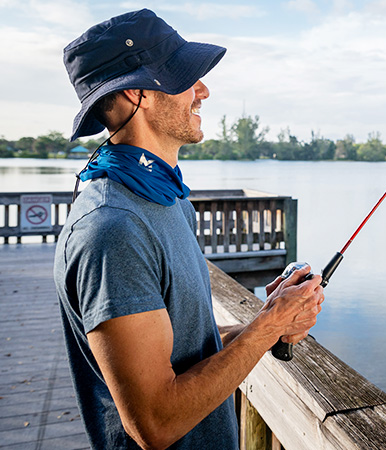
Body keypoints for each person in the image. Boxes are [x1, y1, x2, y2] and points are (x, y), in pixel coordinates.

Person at [54, 9, 324, 450]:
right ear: (136, 94)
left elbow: (186, 353)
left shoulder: (166, 196)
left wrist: (268, 321)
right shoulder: (112, 227)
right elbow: (155, 423)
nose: (203, 90)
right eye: (184, 77)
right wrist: (269, 323)